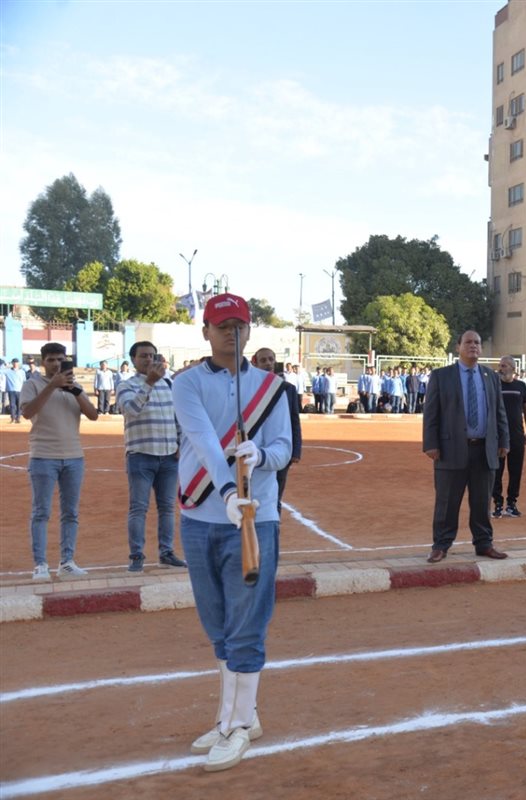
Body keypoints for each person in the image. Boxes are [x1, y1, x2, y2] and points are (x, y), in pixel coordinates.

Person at [174, 293, 292, 772]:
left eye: (239, 325)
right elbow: (203, 442)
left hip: (254, 519)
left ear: (249, 330)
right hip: (201, 518)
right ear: (205, 331)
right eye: (222, 326)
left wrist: (260, 456)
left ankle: (238, 725)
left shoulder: (273, 387)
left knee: (247, 624)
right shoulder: (186, 383)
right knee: (218, 625)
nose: (231, 333)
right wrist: (226, 492)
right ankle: (234, 715)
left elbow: (284, 448)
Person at [422, 330, 510, 563]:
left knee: (482, 502)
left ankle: (484, 544)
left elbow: (499, 412)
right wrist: (431, 444)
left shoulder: (490, 377)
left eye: (477, 342)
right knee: (447, 502)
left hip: (485, 450)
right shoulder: (441, 376)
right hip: (450, 450)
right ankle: (441, 545)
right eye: (468, 342)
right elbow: (431, 413)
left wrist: (504, 441)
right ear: (458, 347)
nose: (473, 346)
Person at [21, 344, 99, 580]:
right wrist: (52, 386)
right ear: (43, 361)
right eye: (51, 359)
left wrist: (75, 390)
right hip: (43, 455)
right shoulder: (33, 384)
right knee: (41, 512)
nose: (56, 364)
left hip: (74, 456)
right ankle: (40, 564)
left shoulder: (74, 386)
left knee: (70, 513)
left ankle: (67, 561)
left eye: (60, 359)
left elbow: (93, 415)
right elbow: (27, 412)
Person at [117, 340, 187, 572]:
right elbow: (131, 411)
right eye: (144, 356)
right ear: (133, 359)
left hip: (168, 456)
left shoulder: (168, 384)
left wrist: (179, 443)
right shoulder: (126, 385)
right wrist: (149, 383)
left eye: (152, 356)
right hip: (141, 455)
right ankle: (136, 556)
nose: (149, 359)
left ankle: (166, 553)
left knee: (167, 508)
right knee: (138, 508)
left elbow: (177, 417)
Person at [253, 348, 303, 512]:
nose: (268, 363)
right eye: (263, 360)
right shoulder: (249, 388)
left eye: (270, 359)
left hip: (281, 449)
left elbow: (294, 420)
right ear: (255, 363)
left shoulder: (287, 389)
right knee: (255, 494)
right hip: (256, 449)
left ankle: (273, 524)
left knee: (277, 497)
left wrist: (296, 450)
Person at [492, 355, 526, 518]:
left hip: (516, 436)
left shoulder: (521, 386)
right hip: (498, 436)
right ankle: (497, 504)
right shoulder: (494, 385)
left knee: (516, 471)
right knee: (497, 471)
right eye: (500, 365)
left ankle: (512, 504)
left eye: (504, 366)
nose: (501, 369)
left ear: (513, 369)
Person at [4, 358, 25, 422]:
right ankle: (13, 418)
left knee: (19, 405)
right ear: (12, 363)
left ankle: (18, 418)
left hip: (20, 390)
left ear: (18, 363)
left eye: (16, 362)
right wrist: (5, 365)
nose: (15, 364)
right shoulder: (7, 371)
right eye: (14, 362)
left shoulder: (22, 372)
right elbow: (1, 370)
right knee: (12, 405)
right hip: (11, 390)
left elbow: (24, 381)